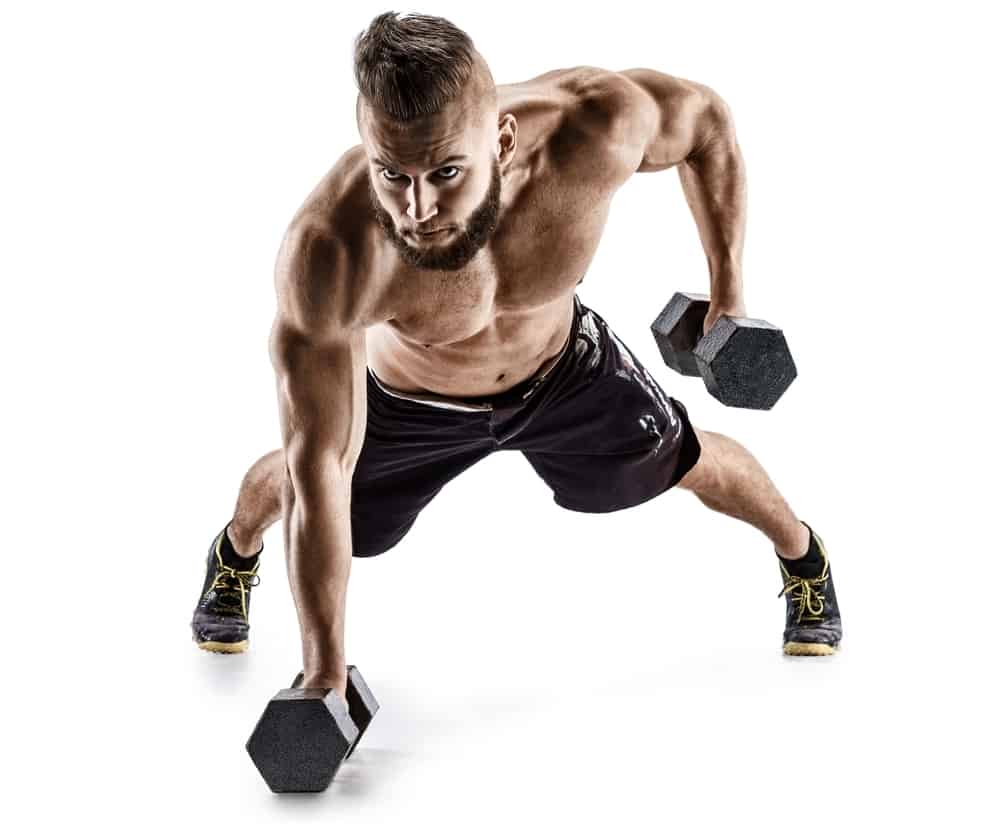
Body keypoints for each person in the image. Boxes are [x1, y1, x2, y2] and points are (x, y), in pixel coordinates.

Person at [190, 11, 843, 707]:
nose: (417, 208)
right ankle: (235, 551)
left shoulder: (595, 126)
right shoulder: (332, 251)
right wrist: (324, 670)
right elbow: (319, 459)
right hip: (411, 399)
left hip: (564, 372)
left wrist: (728, 292)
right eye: (392, 173)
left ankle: (804, 554)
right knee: (305, 483)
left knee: (688, 460)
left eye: (445, 172)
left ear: (501, 140)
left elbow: (707, 124)